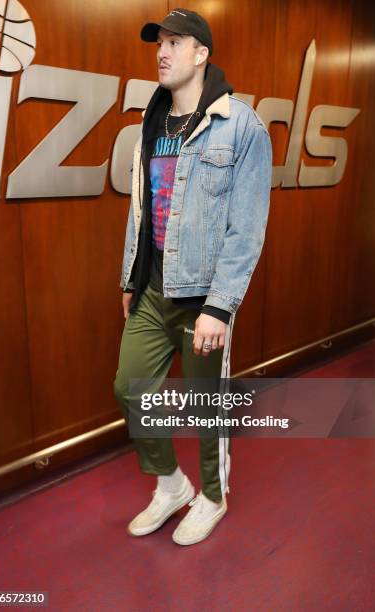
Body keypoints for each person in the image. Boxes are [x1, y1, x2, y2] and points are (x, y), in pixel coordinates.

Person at [113, 8, 272, 546]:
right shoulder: (150, 123)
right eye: (159, 42)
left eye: (175, 42)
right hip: (155, 290)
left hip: (204, 295)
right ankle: (171, 486)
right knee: (130, 388)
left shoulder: (241, 126)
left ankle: (212, 495)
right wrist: (131, 279)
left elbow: (246, 229)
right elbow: (140, 209)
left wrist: (220, 307)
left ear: (201, 54)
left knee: (208, 409)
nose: (162, 51)